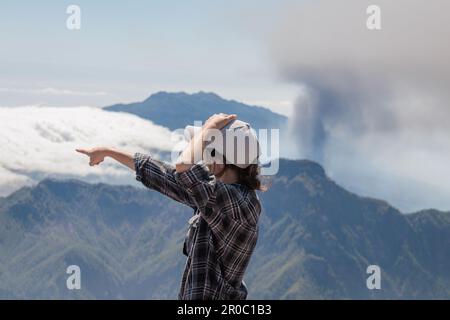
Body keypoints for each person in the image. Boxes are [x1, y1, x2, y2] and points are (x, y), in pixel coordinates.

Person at [76, 113, 264, 300]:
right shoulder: (218, 196)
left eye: (207, 150)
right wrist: (107, 151)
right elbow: (166, 176)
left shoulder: (236, 203)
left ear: (220, 158)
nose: (204, 159)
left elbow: (183, 168)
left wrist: (209, 128)